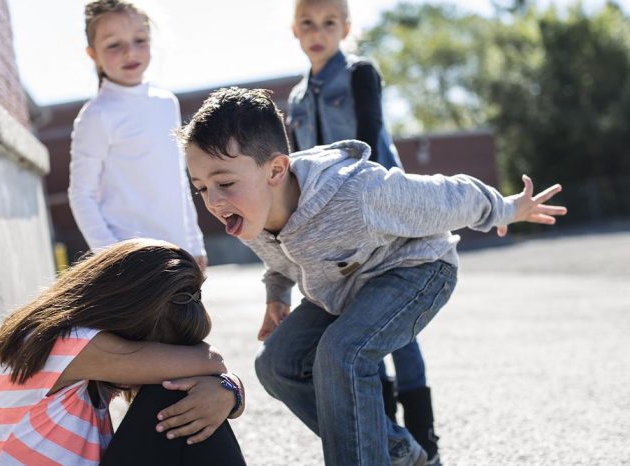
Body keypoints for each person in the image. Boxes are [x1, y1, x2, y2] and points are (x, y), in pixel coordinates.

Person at [178, 87, 566, 466]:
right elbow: (278, 260)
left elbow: (448, 196)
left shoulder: (358, 194)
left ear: (276, 170)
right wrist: (276, 294)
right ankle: (393, 449)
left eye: (225, 182)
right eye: (201, 188)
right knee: (276, 363)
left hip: (417, 271)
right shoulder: (252, 213)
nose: (213, 200)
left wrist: (507, 208)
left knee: (342, 353)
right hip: (343, 287)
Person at [287, 0, 438, 461]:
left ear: (346, 28)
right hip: (331, 229)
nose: (318, 32)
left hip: (380, 212)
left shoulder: (359, 74)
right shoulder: (294, 99)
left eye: (329, 23)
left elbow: (370, 136)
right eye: (308, 24)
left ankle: (425, 442)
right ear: (295, 30)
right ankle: (391, 441)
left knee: (398, 330)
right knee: (357, 325)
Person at [0, 238, 247, 466]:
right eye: (159, 346)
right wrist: (226, 386)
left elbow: (211, 370)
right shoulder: (69, 342)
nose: (159, 355)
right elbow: (212, 362)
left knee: (191, 396)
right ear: (132, 315)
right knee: (175, 390)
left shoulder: (76, 347)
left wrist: (226, 390)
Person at [68, 0, 207, 269]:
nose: (129, 52)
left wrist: (194, 242)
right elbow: (81, 194)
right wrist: (111, 256)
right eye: (113, 45)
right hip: (132, 262)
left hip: (179, 253)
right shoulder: (96, 115)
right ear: (92, 54)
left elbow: (178, 180)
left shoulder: (166, 103)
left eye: (139, 40)